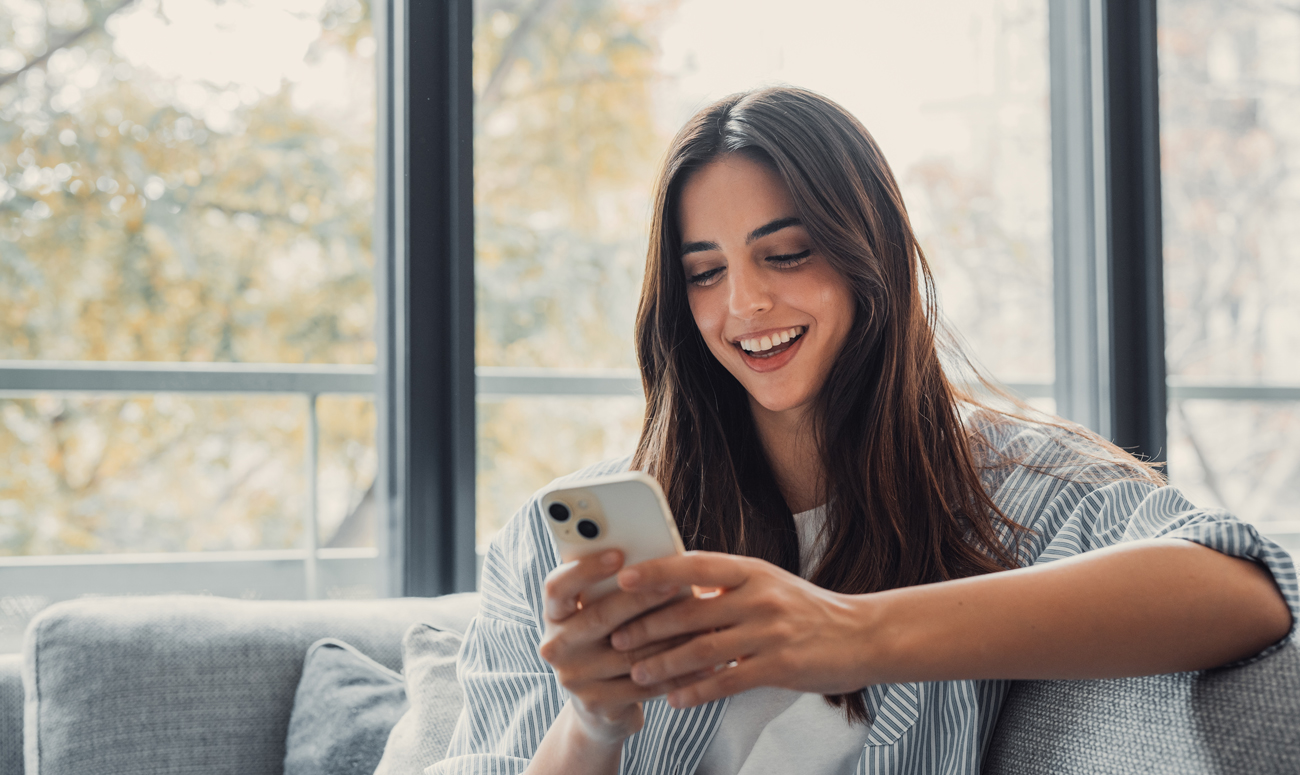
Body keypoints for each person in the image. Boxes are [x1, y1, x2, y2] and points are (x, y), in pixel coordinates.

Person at [431, 87, 1297, 775]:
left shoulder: (1018, 496)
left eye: (787, 253)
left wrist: (848, 631)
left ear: (868, 252)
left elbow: (1244, 589)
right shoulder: (552, 551)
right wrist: (590, 727)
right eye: (705, 272)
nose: (744, 306)